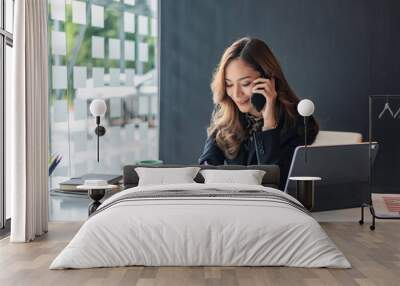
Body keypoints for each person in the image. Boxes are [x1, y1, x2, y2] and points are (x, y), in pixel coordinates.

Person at [198, 37, 319, 189]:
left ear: (269, 80)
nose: (236, 94)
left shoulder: (298, 121)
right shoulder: (228, 115)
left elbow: (274, 185)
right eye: (229, 84)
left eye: (245, 83)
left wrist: (269, 124)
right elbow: (205, 169)